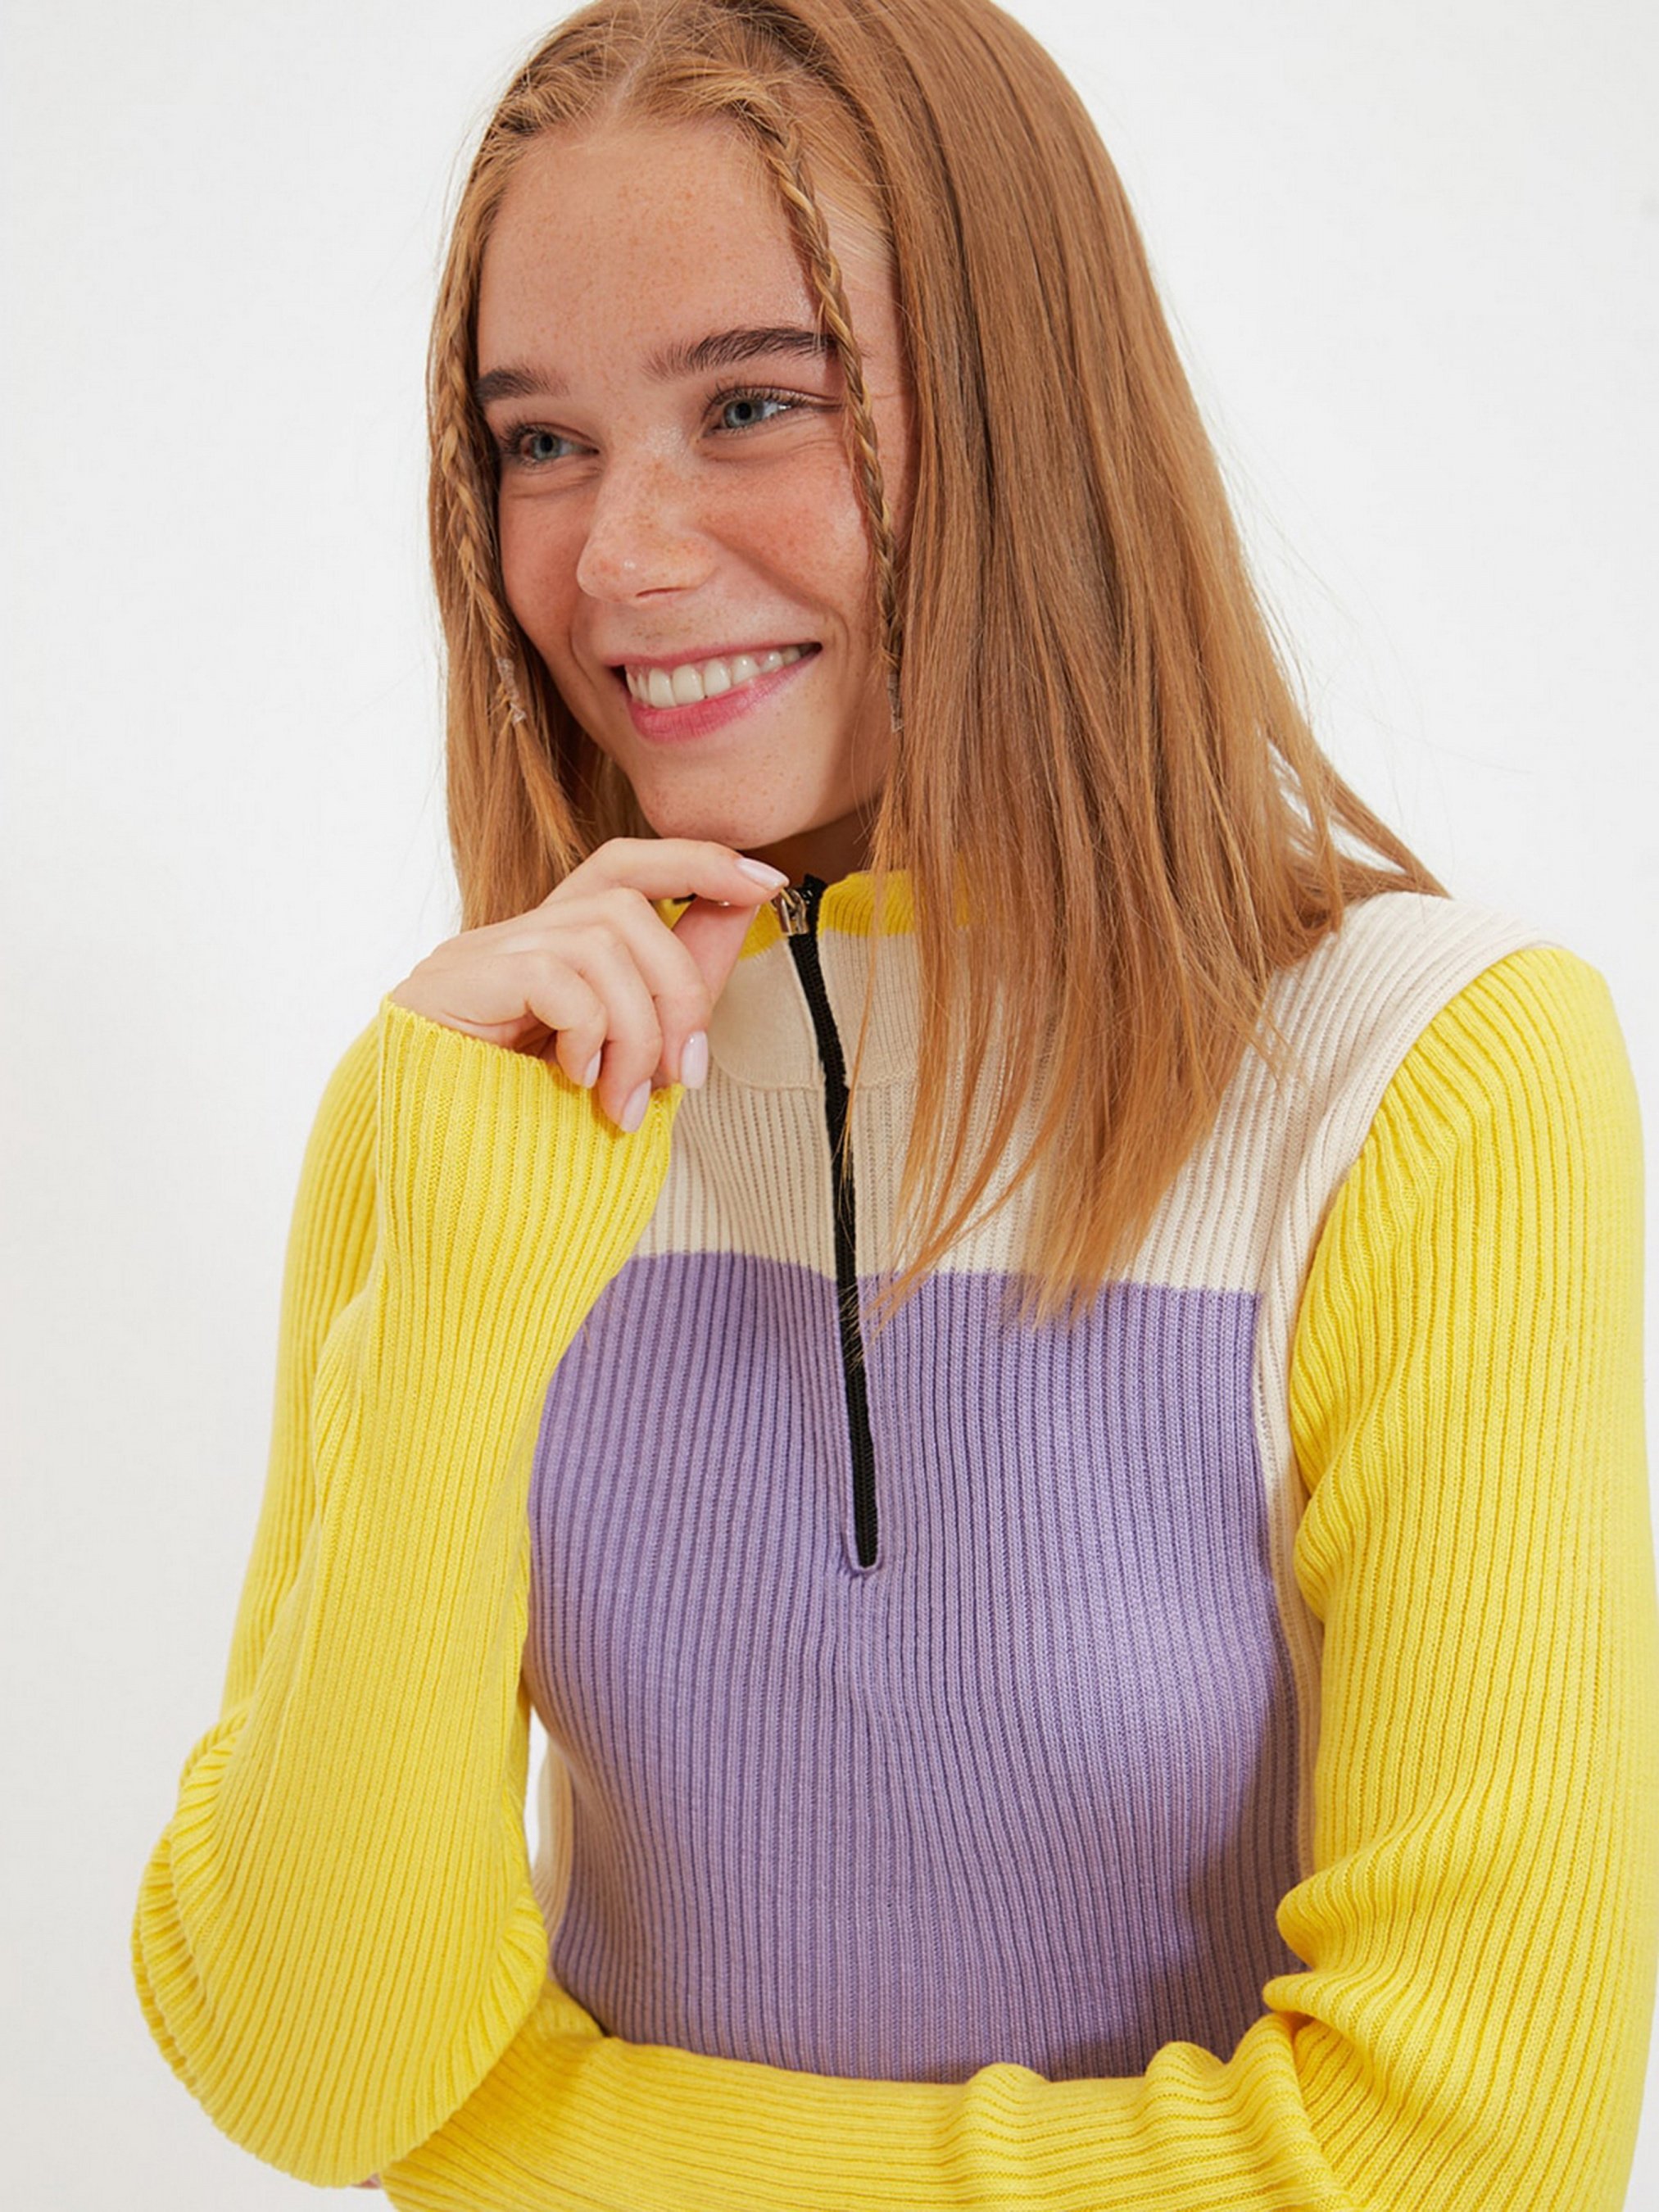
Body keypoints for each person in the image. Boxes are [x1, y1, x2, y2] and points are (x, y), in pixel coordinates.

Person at [129, 1, 1657, 2205]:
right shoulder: (461, 1099)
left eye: (754, 402)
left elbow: (1464, 2154)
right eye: (539, 440)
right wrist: (453, 1297)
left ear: (1031, 413)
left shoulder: (1421, 1078)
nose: (620, 556)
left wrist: (535, 2149)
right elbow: (317, 2068)